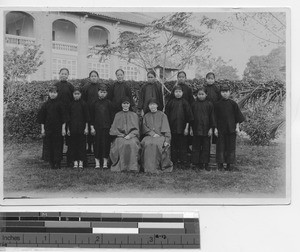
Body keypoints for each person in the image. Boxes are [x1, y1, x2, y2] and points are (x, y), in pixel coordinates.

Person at [214, 84, 245, 171]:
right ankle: (220, 165)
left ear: (229, 92)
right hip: (220, 130)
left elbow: (237, 117)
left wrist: (237, 128)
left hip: (231, 129)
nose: (225, 94)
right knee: (220, 147)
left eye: (226, 92)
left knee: (230, 147)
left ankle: (229, 165)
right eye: (223, 92)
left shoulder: (233, 104)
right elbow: (214, 118)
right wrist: (215, 129)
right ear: (220, 93)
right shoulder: (217, 104)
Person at [37, 85, 67, 169]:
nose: (53, 94)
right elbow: (42, 119)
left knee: (58, 145)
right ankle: (51, 163)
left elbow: (64, 118)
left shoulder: (61, 104)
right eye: (51, 92)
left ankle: (58, 163)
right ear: (49, 93)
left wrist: (63, 129)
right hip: (48, 129)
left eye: (54, 92)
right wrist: (42, 130)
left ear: (57, 93)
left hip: (58, 129)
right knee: (49, 145)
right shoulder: (45, 105)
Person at [141, 98, 173, 173]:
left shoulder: (163, 115)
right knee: (146, 143)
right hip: (149, 136)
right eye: (150, 105)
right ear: (148, 106)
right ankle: (146, 167)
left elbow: (166, 129)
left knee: (156, 144)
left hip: (160, 136)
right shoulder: (146, 116)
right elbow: (144, 128)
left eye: (154, 104)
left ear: (157, 105)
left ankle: (156, 167)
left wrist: (167, 140)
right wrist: (152, 133)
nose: (152, 106)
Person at [165, 85, 193, 168]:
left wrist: (186, 128)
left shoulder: (185, 103)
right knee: (173, 146)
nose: (178, 93)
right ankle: (174, 162)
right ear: (173, 93)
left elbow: (189, 117)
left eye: (179, 92)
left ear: (182, 93)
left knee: (183, 146)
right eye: (176, 92)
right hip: (172, 129)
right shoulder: (170, 103)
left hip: (183, 129)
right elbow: (166, 116)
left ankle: (183, 162)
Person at [109, 97, 140, 172]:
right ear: (121, 105)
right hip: (120, 136)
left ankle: (132, 167)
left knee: (132, 144)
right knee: (121, 144)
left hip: (132, 136)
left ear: (129, 105)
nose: (125, 105)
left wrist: (130, 135)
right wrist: (121, 135)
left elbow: (137, 129)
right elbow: (114, 129)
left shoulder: (134, 115)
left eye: (127, 103)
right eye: (124, 103)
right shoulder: (117, 115)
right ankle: (121, 167)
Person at [190, 86, 216, 171]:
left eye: (202, 94)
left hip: (206, 129)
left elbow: (212, 117)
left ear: (206, 94)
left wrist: (211, 129)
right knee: (196, 147)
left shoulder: (209, 104)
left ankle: (205, 163)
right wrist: (191, 128)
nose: (201, 96)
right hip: (196, 129)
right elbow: (191, 118)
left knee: (206, 147)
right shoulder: (193, 104)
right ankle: (196, 164)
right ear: (196, 95)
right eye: (199, 94)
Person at [54, 68, 74, 166]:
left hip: (69, 114)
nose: (63, 75)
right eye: (62, 73)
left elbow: (73, 99)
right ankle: (57, 160)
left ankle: (70, 160)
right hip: (58, 116)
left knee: (70, 137)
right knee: (58, 138)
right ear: (59, 74)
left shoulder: (70, 86)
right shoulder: (56, 86)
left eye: (65, 74)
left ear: (68, 75)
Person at [90, 84, 114, 169]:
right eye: (101, 92)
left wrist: (111, 127)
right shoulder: (94, 103)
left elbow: (112, 117)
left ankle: (104, 162)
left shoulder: (109, 103)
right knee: (97, 145)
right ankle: (97, 162)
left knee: (105, 144)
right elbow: (91, 116)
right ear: (98, 92)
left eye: (104, 92)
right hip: (96, 128)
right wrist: (92, 127)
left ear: (106, 93)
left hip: (106, 128)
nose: (102, 94)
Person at [67, 87, 90, 169]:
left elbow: (87, 118)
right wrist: (68, 129)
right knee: (73, 145)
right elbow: (68, 118)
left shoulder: (84, 104)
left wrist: (86, 128)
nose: (76, 95)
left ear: (81, 95)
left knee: (81, 145)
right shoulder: (70, 104)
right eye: (75, 94)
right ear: (73, 95)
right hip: (72, 128)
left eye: (78, 94)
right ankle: (75, 161)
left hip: (82, 128)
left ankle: (81, 161)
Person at [82, 70, 101, 153]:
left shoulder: (100, 87)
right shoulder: (85, 87)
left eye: (95, 76)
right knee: (89, 130)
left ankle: (96, 147)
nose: (94, 77)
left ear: (98, 77)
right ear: (89, 78)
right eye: (92, 76)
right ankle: (89, 146)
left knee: (97, 130)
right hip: (89, 111)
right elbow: (83, 100)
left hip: (98, 112)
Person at [204, 72, 221, 145]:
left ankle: (215, 146)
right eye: (208, 79)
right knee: (207, 127)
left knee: (215, 127)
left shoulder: (216, 88)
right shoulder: (204, 88)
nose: (210, 80)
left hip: (215, 110)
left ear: (214, 79)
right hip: (206, 111)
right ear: (206, 79)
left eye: (212, 79)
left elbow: (220, 98)